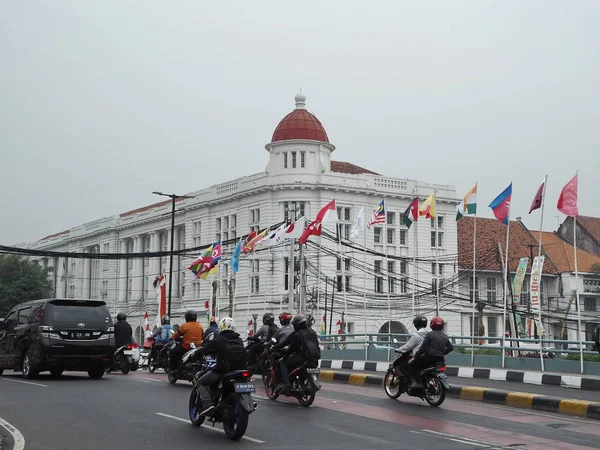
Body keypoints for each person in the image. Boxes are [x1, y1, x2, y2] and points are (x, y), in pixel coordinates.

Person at [193, 317, 248, 416]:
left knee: (200, 382)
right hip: (240, 371)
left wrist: (196, 354)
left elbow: (205, 349)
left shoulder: (218, 340)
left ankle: (208, 405)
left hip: (223, 371)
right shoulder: (239, 339)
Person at [271, 314, 321, 394]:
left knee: (282, 362)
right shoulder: (312, 332)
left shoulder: (296, 334)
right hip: (315, 357)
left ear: (296, 325)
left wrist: (276, 349)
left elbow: (288, 346)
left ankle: (286, 383)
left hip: (302, 357)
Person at [409, 316, 453, 388]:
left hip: (428, 358)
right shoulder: (445, 336)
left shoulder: (429, 334)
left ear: (432, 325)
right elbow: (451, 348)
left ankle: (418, 382)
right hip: (440, 359)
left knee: (412, 364)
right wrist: (443, 353)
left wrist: (414, 357)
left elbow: (423, 348)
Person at [393, 315, 428, 381]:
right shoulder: (428, 334)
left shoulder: (416, 335)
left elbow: (408, 346)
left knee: (402, 367)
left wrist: (399, 350)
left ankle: (412, 381)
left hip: (418, 357)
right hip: (427, 357)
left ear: (416, 324)